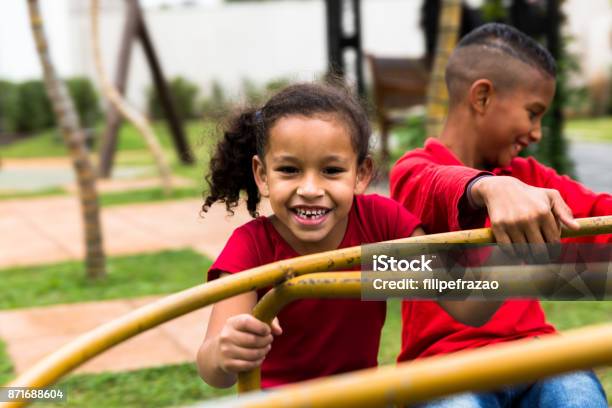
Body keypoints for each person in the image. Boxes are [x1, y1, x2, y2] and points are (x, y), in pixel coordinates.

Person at [390, 23, 610, 407]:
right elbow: (433, 184)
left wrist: (509, 184)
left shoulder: (531, 178)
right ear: (483, 97)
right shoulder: (413, 171)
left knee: (577, 395)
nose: (537, 132)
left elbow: (599, 217)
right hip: (445, 364)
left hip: (536, 354)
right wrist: (488, 187)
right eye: (533, 112)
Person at [195, 82, 427, 389]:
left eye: (331, 170)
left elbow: (459, 289)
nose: (309, 190)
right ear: (263, 175)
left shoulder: (381, 223)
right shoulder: (251, 247)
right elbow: (214, 371)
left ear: (361, 174)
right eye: (289, 170)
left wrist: (482, 189)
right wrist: (225, 352)